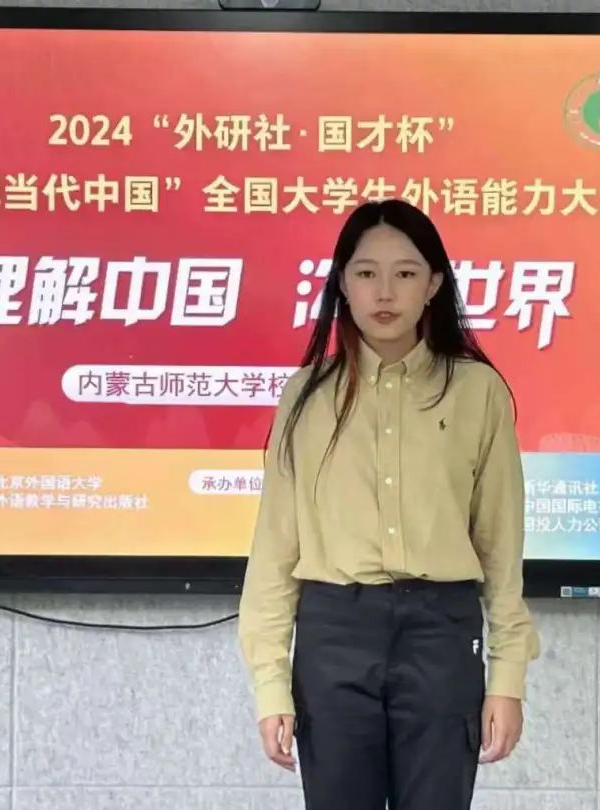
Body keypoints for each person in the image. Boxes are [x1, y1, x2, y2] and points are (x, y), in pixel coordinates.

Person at [236, 199, 540, 810]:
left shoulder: (478, 391)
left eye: (405, 273)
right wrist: (270, 685)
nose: (384, 292)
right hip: (333, 635)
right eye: (366, 273)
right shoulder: (305, 397)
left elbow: (501, 548)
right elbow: (274, 552)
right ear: (342, 284)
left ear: (433, 285)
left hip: (441, 635)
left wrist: (507, 679)